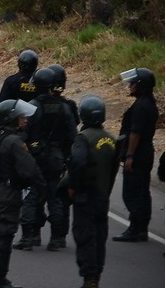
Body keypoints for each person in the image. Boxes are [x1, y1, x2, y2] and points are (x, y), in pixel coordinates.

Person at [0, 99, 45, 288]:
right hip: (8, 193)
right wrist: (42, 189)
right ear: (11, 118)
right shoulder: (14, 142)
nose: (25, 121)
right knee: (4, 236)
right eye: (21, 117)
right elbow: (31, 170)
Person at [14, 67, 76, 252]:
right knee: (55, 198)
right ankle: (57, 239)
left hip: (36, 157)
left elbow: (21, 135)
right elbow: (73, 137)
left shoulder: (31, 107)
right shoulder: (65, 107)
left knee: (31, 197)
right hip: (56, 159)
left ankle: (28, 237)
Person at [67, 96, 118, 288]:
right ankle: (96, 275)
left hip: (85, 197)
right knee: (99, 237)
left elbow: (77, 162)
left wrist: (72, 186)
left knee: (85, 236)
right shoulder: (111, 139)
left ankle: (89, 278)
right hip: (102, 197)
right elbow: (113, 168)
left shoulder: (83, 138)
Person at [112, 67, 159, 242]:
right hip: (145, 151)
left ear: (141, 85)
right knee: (142, 191)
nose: (130, 86)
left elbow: (135, 133)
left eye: (133, 83)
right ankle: (140, 227)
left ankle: (136, 228)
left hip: (139, 153)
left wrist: (130, 155)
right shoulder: (148, 103)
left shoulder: (141, 106)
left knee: (132, 192)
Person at [0, 50, 39, 118]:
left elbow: (2, 101)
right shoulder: (40, 81)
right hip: (35, 117)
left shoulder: (11, 80)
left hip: (15, 118)